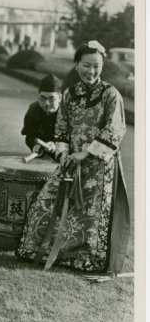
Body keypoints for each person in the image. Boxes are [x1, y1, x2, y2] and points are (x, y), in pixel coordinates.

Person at [16, 40, 131, 281]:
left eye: (96, 66)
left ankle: (85, 259)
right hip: (71, 160)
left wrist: (87, 152)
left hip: (99, 165)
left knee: (89, 213)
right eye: (86, 65)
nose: (91, 71)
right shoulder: (70, 94)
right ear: (76, 64)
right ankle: (48, 251)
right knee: (48, 204)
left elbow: (115, 130)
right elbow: (62, 126)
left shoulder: (111, 94)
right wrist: (65, 151)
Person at [21, 73, 62, 159]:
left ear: (60, 98)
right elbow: (30, 135)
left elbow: (75, 138)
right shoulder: (33, 110)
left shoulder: (69, 111)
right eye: (42, 98)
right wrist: (34, 145)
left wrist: (56, 145)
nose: (46, 104)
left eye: (51, 99)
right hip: (42, 154)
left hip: (65, 155)